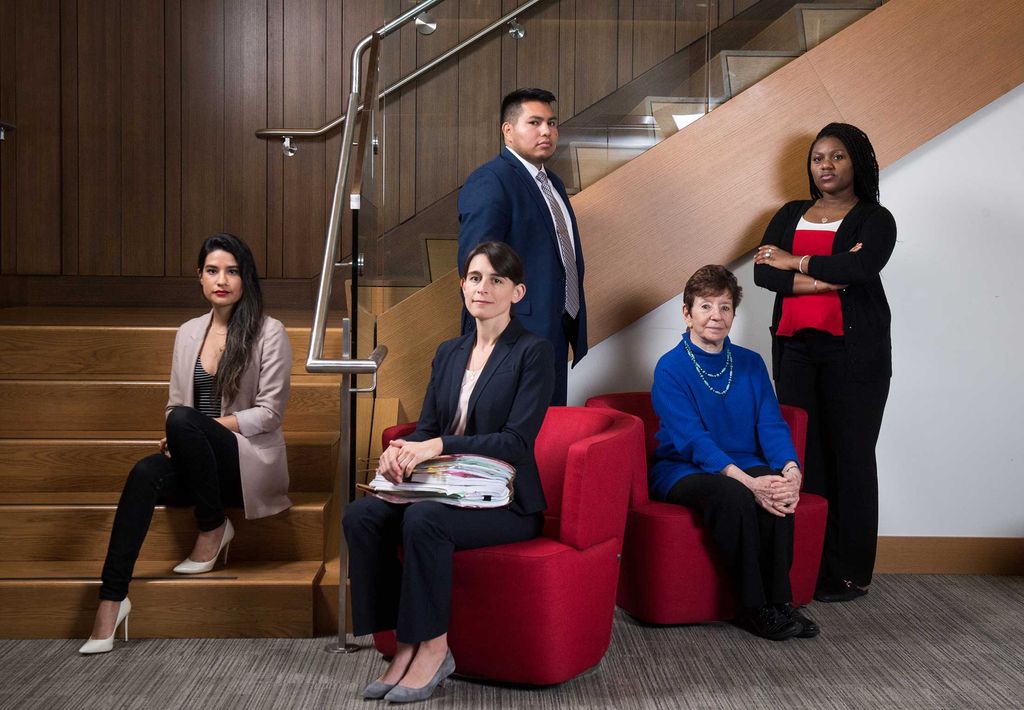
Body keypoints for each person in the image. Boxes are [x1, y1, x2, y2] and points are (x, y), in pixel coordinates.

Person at [344, 241, 554, 703]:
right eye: (475, 278)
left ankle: (436, 648)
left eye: (497, 280)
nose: (484, 288)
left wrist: (437, 445)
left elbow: (516, 443)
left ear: (516, 292)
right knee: (361, 515)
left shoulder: (533, 353)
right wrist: (400, 452)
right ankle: (402, 643)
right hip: (444, 489)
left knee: (424, 520)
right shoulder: (449, 352)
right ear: (462, 285)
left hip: (504, 500)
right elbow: (429, 428)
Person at [79, 233, 293, 655]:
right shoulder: (187, 332)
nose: (222, 280)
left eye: (232, 271)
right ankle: (112, 599)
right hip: (199, 463)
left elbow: (269, 414)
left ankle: (213, 527)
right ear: (199, 276)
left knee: (182, 421)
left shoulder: (270, 332)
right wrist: (180, 434)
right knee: (144, 471)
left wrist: (198, 427)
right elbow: (175, 405)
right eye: (213, 271)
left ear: (246, 278)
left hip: (242, 465)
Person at [753, 122, 895, 603]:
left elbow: (859, 269)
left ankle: (851, 572)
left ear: (856, 161)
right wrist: (824, 275)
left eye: (837, 156)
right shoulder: (790, 212)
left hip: (855, 354)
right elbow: (761, 274)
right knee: (800, 457)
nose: (826, 166)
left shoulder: (875, 219)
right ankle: (806, 565)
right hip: (795, 349)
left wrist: (795, 261)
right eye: (818, 158)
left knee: (851, 457)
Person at [650, 265, 818, 641]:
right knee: (736, 497)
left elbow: (771, 424)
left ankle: (780, 603)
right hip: (682, 468)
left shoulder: (750, 363)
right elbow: (692, 439)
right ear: (687, 313)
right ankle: (754, 607)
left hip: (742, 461)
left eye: (724, 307)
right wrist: (747, 482)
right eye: (705, 306)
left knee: (776, 492)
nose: (716, 316)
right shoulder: (670, 368)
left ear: (733, 314)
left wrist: (790, 469)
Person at [457, 87, 586, 406]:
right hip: (511, 334)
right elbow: (477, 263)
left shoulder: (552, 182)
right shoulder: (492, 180)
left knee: (546, 431)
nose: (547, 131)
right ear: (508, 130)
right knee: (510, 437)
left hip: (553, 326)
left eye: (552, 123)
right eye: (535, 122)